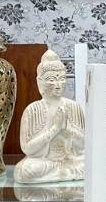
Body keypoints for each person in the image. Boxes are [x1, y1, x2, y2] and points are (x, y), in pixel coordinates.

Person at [13, 49, 85, 184]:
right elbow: (27, 149)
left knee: (90, 164)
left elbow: (83, 146)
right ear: (40, 82)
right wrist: (55, 129)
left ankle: (63, 172)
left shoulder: (74, 107)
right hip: (44, 163)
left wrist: (67, 129)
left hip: (70, 161)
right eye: (52, 80)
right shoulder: (33, 110)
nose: (58, 85)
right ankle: (63, 173)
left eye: (62, 79)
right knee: (25, 170)